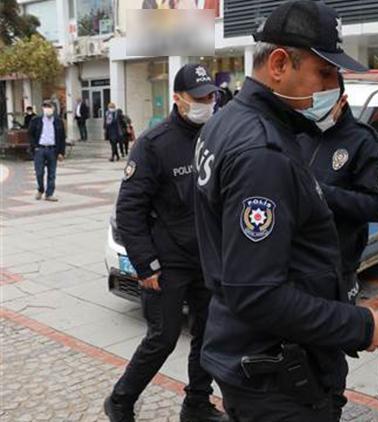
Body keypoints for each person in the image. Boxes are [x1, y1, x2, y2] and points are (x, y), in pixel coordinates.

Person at [193, 2, 378, 421]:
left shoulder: (228, 120)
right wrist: (358, 325)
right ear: (280, 64)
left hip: (253, 354)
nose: (333, 86)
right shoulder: (262, 150)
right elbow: (258, 291)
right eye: (325, 73)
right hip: (277, 375)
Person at [103, 64, 225, 422]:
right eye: (198, 98)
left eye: (211, 96)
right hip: (166, 264)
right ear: (178, 98)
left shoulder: (216, 134)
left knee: (207, 336)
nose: (206, 103)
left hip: (206, 258)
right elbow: (129, 209)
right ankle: (121, 401)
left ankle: (197, 404)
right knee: (163, 338)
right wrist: (145, 264)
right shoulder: (154, 144)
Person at [298, 73, 378, 305]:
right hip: (297, 261)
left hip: (337, 266)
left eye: (323, 104)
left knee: (332, 336)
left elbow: (377, 207)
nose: (314, 111)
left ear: (342, 100)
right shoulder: (300, 131)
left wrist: (322, 193)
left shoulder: (362, 141)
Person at [27, 100, 66, 202]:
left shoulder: (58, 121)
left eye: (49, 106)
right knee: (39, 172)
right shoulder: (36, 120)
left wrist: (61, 152)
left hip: (53, 149)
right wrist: (34, 146)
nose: (47, 109)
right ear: (42, 108)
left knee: (52, 173)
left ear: (53, 108)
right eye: (45, 106)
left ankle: (49, 194)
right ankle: (40, 189)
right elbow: (30, 134)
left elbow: (62, 137)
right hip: (40, 149)